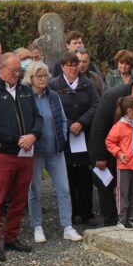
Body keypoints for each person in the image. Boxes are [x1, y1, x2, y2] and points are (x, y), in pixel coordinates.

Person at [0, 53, 43, 261]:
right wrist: (18, 139)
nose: (18, 74)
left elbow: (37, 117)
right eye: (14, 70)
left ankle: (11, 237)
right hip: (4, 154)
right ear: (2, 69)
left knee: (19, 198)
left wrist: (34, 135)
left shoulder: (26, 90)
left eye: (19, 71)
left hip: (27, 153)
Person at [23, 61, 82, 243]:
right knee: (34, 190)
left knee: (64, 189)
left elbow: (63, 120)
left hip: (56, 151)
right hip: (35, 151)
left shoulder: (54, 96)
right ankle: (37, 226)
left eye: (45, 76)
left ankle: (67, 226)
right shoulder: (25, 97)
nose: (43, 79)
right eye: (39, 76)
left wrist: (62, 137)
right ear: (31, 78)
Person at [89, 77, 133, 227]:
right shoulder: (112, 96)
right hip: (110, 148)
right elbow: (99, 127)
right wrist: (100, 156)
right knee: (106, 184)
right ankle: (111, 218)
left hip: (132, 153)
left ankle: (130, 216)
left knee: (131, 186)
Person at [49, 52, 100, 226]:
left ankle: (87, 212)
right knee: (67, 176)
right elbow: (53, 107)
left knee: (84, 176)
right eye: (69, 65)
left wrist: (82, 122)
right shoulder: (54, 85)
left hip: (83, 136)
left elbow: (95, 105)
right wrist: (69, 124)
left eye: (75, 65)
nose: (72, 68)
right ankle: (71, 213)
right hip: (64, 136)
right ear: (62, 67)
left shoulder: (88, 84)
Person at [106, 96, 133, 230]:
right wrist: (119, 153)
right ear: (130, 111)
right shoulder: (119, 126)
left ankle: (132, 216)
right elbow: (110, 141)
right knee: (123, 192)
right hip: (125, 164)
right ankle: (122, 218)